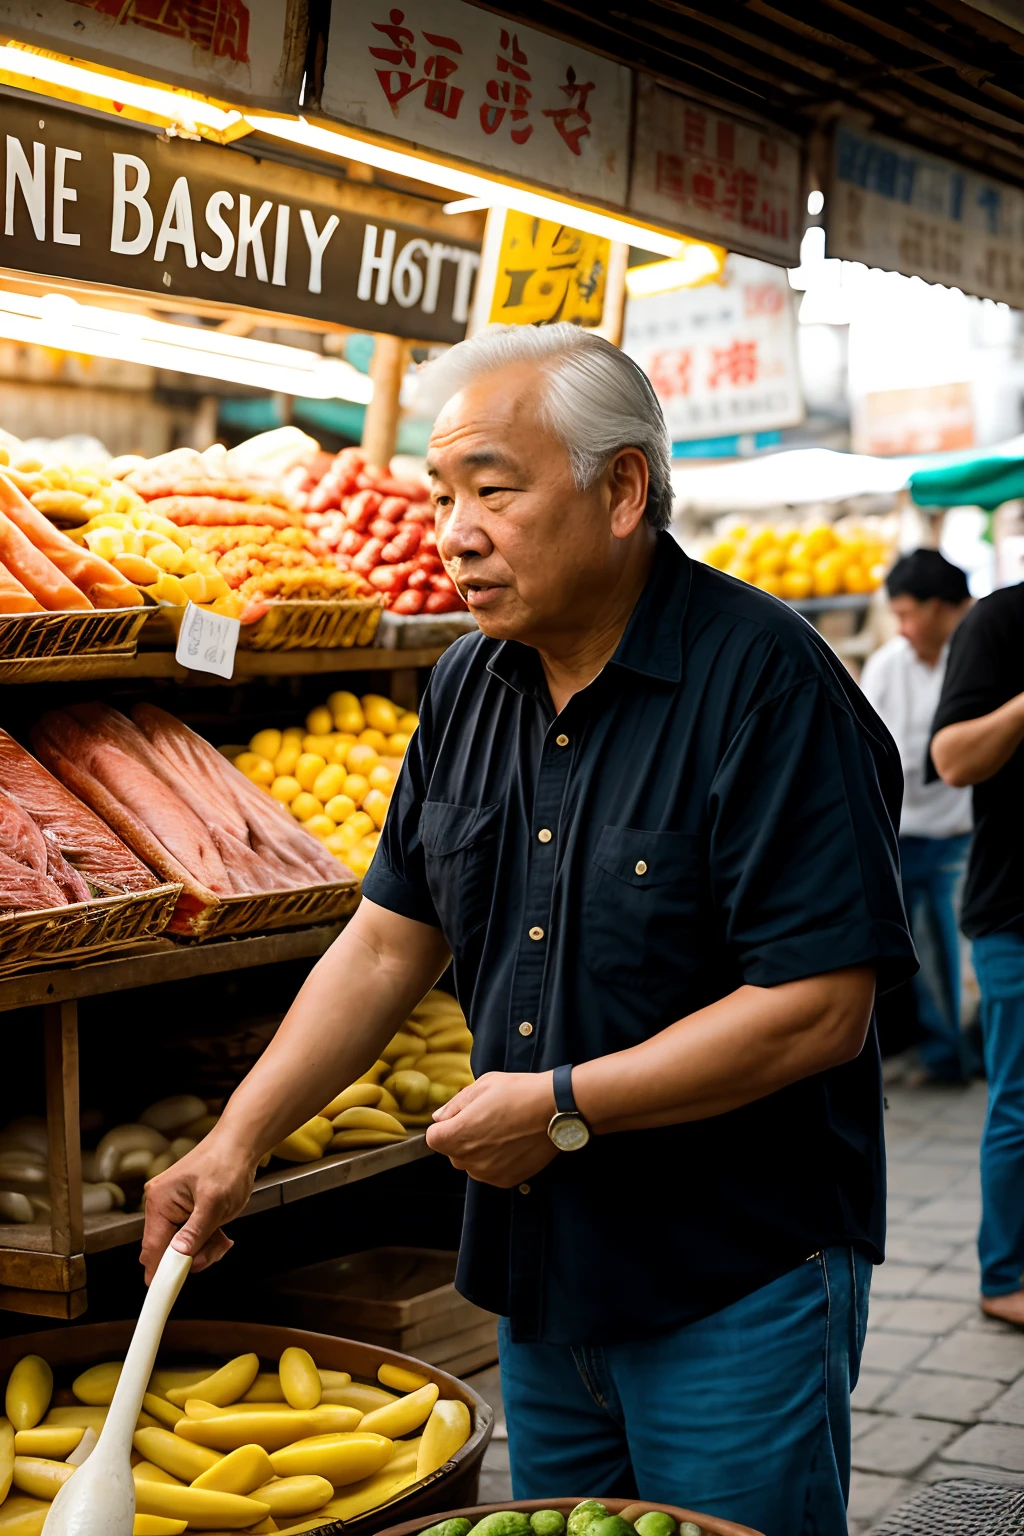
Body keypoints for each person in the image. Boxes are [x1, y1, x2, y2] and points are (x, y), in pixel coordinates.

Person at [141, 325, 916, 1536]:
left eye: (492, 491)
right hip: (538, 1277)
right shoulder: (465, 685)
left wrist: (561, 1102)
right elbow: (390, 941)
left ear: (621, 491)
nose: (454, 529)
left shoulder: (769, 688)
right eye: (443, 493)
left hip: (731, 1274)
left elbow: (817, 1009)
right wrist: (238, 1142)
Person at [930, 579, 1024, 1327]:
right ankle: (1006, 1278)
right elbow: (954, 757)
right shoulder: (1000, 622)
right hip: (1015, 912)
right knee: (1020, 1103)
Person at [860, 550, 973, 1083]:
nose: (902, 628)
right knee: (906, 955)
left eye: (907, 614)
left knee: (947, 951)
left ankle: (949, 1055)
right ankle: (922, 1051)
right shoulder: (887, 664)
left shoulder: (973, 658)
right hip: (899, 837)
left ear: (938, 609)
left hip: (956, 835)